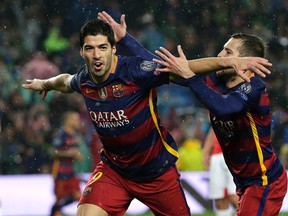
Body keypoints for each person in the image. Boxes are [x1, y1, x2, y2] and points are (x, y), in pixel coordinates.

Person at [22, 11, 272, 215]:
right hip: (115, 171)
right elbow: (65, 81)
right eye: (89, 49)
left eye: (102, 47)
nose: (96, 55)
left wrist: (228, 62)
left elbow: (183, 68)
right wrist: (44, 84)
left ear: (113, 49)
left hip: (157, 172)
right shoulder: (84, 79)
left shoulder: (135, 71)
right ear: (81, 52)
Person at [152, 33, 288, 215]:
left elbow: (224, 107)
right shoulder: (217, 82)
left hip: (264, 180)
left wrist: (190, 76)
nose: (220, 55)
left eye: (227, 51)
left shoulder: (254, 88)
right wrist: (125, 40)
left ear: (243, 61)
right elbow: (159, 70)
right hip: (244, 181)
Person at [50, 111, 84, 216]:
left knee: (78, 196)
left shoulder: (75, 136)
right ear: (68, 121)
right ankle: (55, 211)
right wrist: (68, 154)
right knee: (60, 199)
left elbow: (74, 152)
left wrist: (77, 156)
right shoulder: (61, 134)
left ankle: (57, 210)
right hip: (60, 172)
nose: (78, 122)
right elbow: (53, 152)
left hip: (71, 172)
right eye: (75, 119)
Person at [203, 128, 238, 216]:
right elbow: (213, 128)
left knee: (235, 197)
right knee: (219, 198)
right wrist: (206, 151)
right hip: (217, 156)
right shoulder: (216, 115)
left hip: (234, 154)